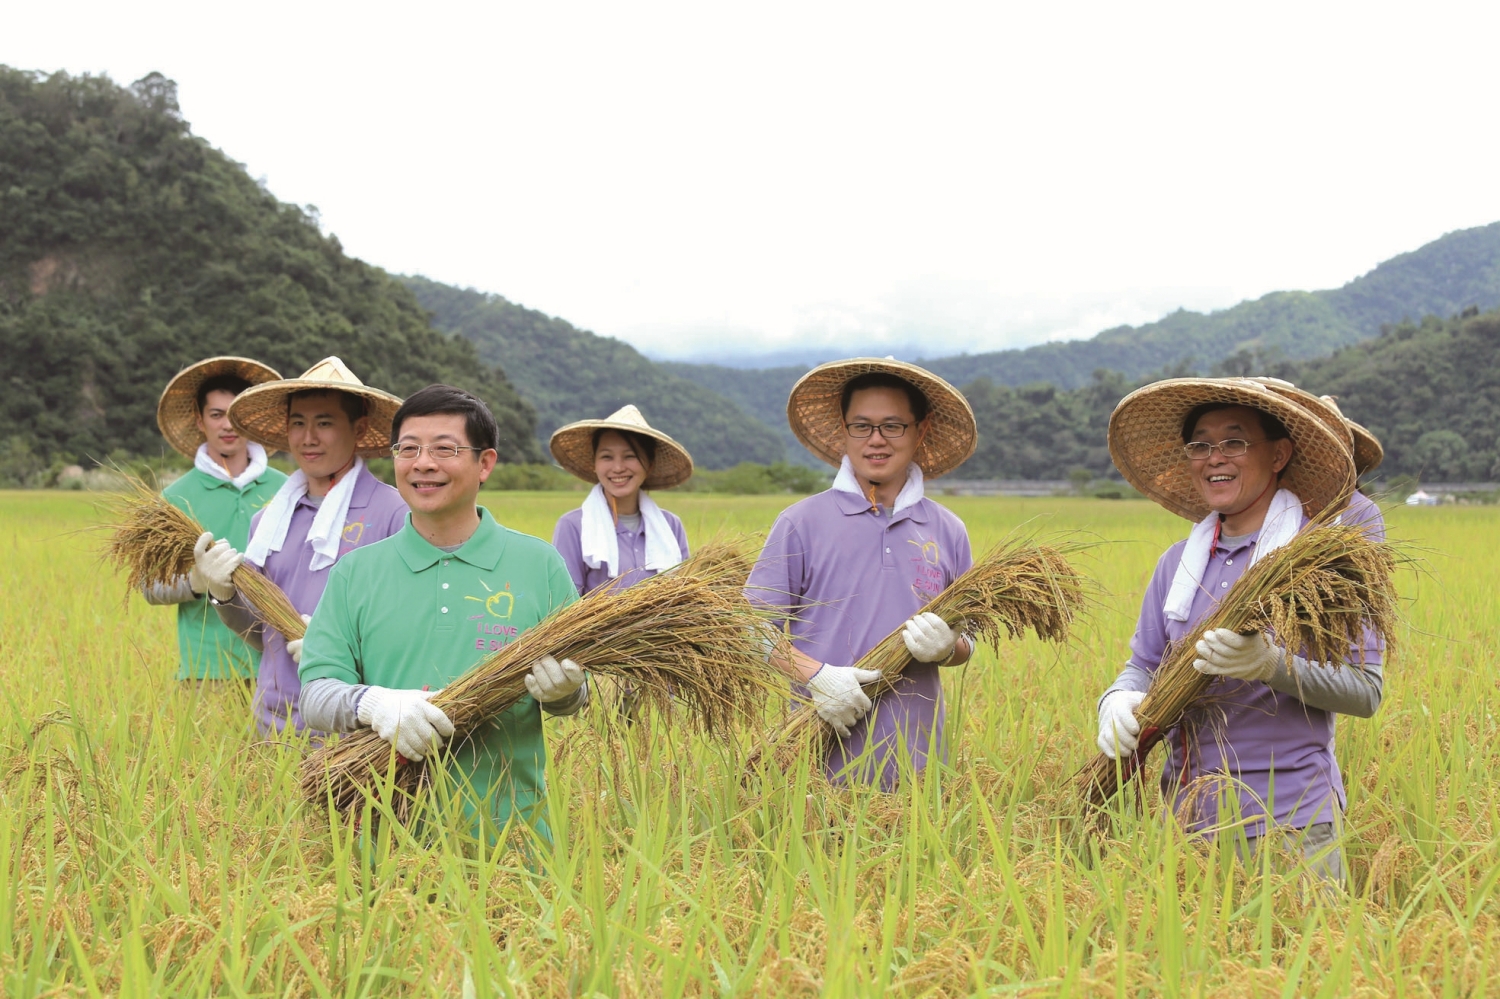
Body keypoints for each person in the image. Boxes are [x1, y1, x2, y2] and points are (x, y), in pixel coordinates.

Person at [1096, 377, 1381, 881]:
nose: (1214, 457)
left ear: (1278, 456)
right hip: (1185, 824)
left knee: (1304, 957)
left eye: (1234, 441)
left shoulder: (1320, 561)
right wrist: (1116, 701)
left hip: (1292, 827)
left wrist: (1272, 665)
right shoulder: (1177, 564)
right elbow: (1142, 665)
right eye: (1200, 445)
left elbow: (1365, 691)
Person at [296, 384, 592, 840]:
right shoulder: (357, 572)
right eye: (408, 448)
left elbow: (575, 697)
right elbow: (315, 696)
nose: (423, 463)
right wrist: (375, 704)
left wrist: (564, 692)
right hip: (385, 843)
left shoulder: (539, 565)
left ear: (485, 463)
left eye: (444, 449)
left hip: (513, 839)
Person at [746, 358, 979, 790]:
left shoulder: (948, 530)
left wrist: (949, 648)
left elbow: (970, 641)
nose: (876, 440)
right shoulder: (801, 523)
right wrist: (816, 676)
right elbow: (750, 628)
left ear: (920, 430)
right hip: (816, 763)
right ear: (843, 431)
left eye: (893, 426)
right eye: (862, 426)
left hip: (919, 762)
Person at [187, 357, 408, 736]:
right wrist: (223, 596)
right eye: (298, 423)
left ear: (359, 429)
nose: (308, 438)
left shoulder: (393, 515)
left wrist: (333, 648)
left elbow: (409, 633)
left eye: (324, 423)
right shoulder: (270, 521)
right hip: (272, 723)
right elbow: (261, 635)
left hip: (353, 729)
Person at [144, 357, 287, 683]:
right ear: (199, 421)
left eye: (235, 415)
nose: (227, 425)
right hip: (205, 673)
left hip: (278, 668)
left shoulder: (287, 490)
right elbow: (149, 587)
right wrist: (199, 581)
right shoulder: (174, 499)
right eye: (216, 415)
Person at [549, 405, 693, 598]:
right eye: (607, 457)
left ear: (649, 464)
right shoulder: (574, 526)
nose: (617, 468)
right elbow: (564, 603)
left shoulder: (671, 525)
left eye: (630, 456)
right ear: (595, 464)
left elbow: (685, 595)